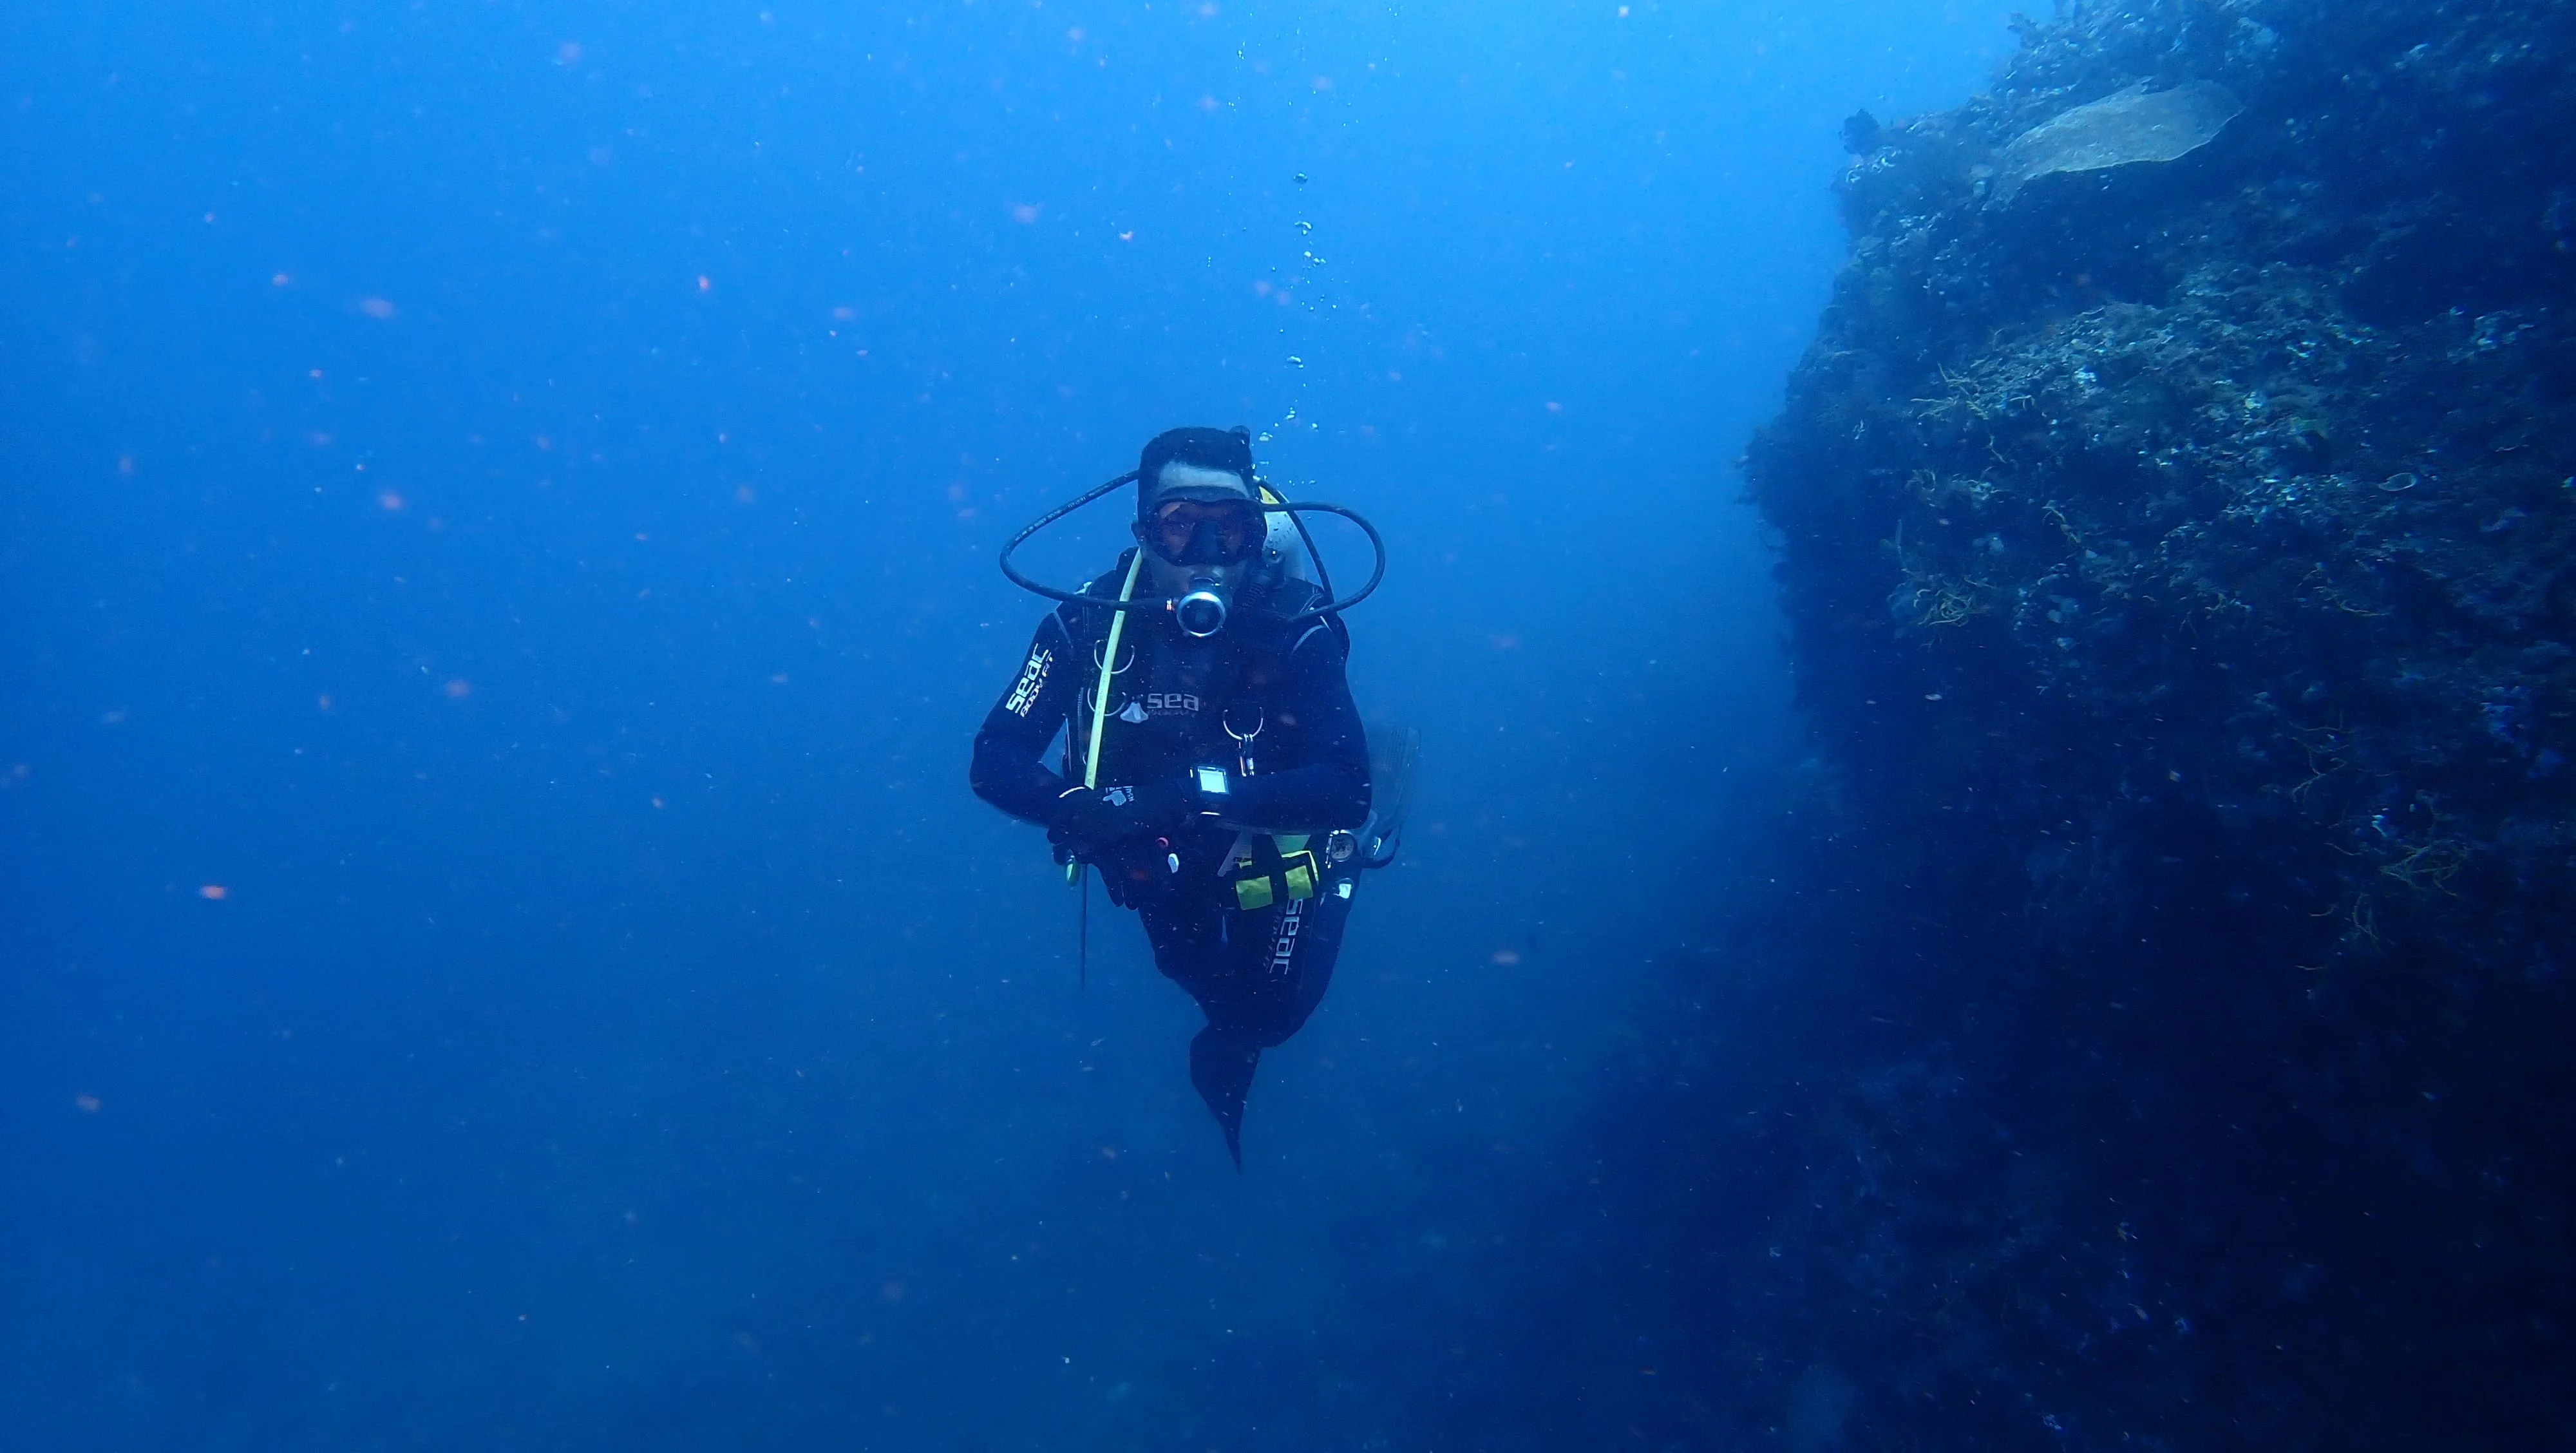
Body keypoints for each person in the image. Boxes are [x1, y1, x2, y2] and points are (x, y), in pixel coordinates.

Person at [971, 426, 1373, 1166]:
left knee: (1269, 1017)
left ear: (1258, 534)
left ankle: (1345, 872)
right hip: (1152, 864)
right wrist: (1070, 810)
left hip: (1270, 848)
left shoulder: (1297, 629)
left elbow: (1346, 787)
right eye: (1181, 526)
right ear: (1143, 533)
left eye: (1231, 527)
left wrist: (1184, 797)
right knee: (1196, 982)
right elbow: (995, 756)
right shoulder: (1082, 627)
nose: (1209, 554)